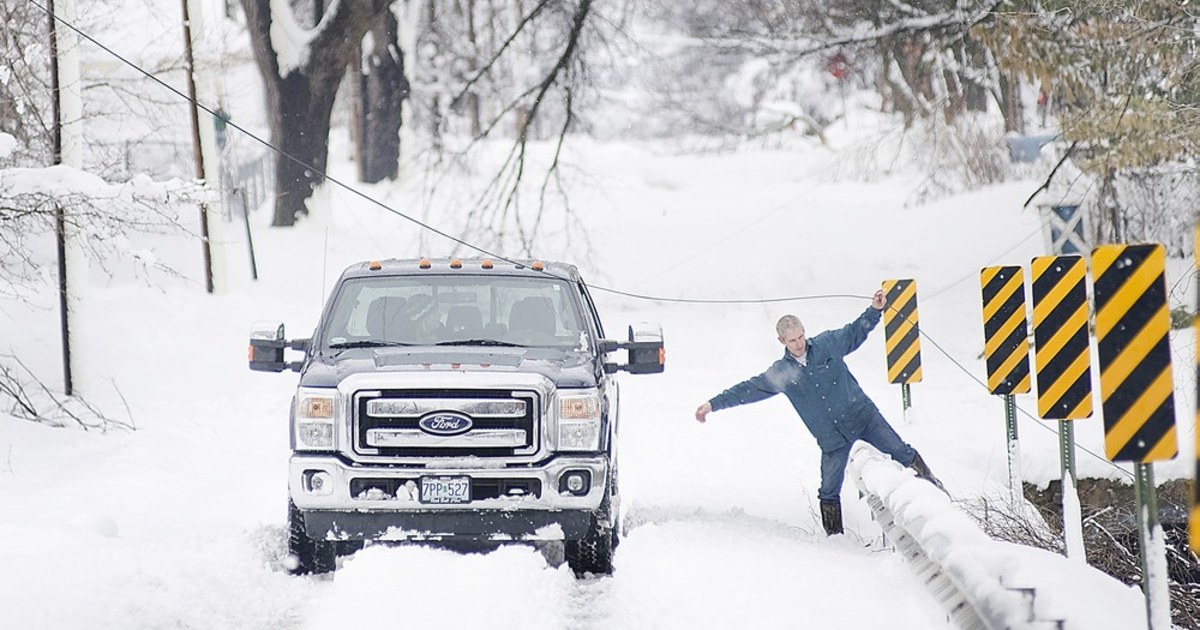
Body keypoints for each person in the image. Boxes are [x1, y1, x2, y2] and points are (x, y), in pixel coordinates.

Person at [693, 289, 943, 536]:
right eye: (792, 340)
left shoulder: (828, 344)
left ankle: (939, 494)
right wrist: (713, 404)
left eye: (801, 336)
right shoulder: (782, 372)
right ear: (782, 341)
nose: (799, 343)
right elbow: (748, 389)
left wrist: (875, 310)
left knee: (902, 452)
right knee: (829, 490)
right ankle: (835, 539)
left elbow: (856, 331)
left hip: (863, 417)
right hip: (832, 439)